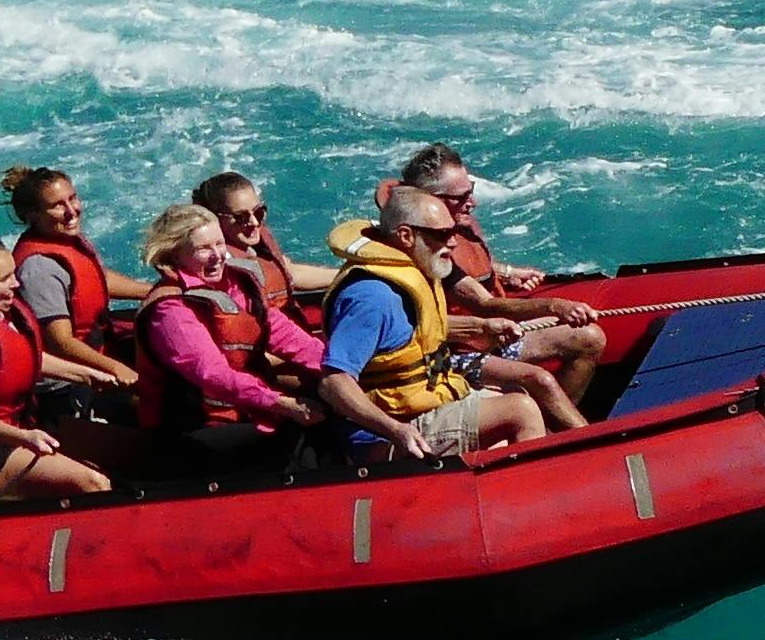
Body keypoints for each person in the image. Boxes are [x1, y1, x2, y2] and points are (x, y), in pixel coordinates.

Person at [317, 187, 555, 463]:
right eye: (442, 234)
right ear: (406, 236)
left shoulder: (414, 272)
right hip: (385, 433)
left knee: (515, 392)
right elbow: (333, 382)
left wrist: (481, 329)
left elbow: (409, 336)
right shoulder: (373, 298)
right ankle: (522, 495)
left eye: (452, 232)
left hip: (424, 402)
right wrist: (395, 430)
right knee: (520, 410)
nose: (453, 243)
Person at [390, 143, 607, 406]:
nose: (472, 203)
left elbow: (470, 268)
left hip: (496, 338)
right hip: (454, 353)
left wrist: (507, 272)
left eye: (470, 191)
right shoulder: (423, 245)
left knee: (590, 338)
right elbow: (484, 304)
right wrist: (555, 306)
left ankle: (553, 428)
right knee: (541, 380)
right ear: (429, 199)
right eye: (459, 198)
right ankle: (566, 439)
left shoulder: (462, 224)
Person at [135, 202, 334, 480]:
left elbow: (286, 336)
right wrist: (282, 403)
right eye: (203, 249)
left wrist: (338, 368)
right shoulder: (169, 311)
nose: (217, 256)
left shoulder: (237, 285)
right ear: (175, 253)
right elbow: (213, 376)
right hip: (198, 431)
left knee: (331, 408)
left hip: (249, 410)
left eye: (219, 244)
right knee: (301, 435)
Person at [0, 234, 116, 502]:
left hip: (15, 433)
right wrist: (24, 437)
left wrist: (90, 374)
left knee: (113, 458)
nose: (16, 283)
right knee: (92, 482)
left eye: (13, 273)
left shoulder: (2, 311)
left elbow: (25, 359)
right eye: (4, 279)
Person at [0, 165, 149, 397]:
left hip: (96, 344)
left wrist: (154, 291)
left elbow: (95, 280)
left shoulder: (63, 237)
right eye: (57, 205)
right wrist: (118, 368)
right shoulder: (39, 269)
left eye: (73, 198)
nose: (72, 211)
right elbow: (61, 342)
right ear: (33, 217)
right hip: (65, 381)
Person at [194, 171, 341, 297]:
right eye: (241, 217)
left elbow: (290, 273)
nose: (254, 222)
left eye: (258, 212)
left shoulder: (251, 241)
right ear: (213, 218)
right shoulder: (218, 267)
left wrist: (351, 274)